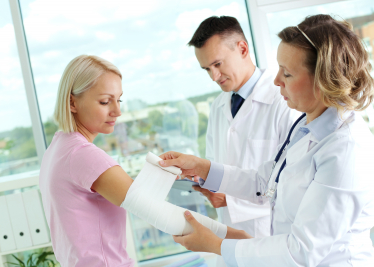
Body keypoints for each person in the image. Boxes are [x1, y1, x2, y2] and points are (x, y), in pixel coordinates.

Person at [159, 14, 374, 266]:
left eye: (286, 74)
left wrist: (215, 244)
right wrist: (201, 167)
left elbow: (301, 251)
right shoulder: (307, 127)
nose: (276, 80)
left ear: (323, 79)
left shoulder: (346, 151)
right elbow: (266, 181)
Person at [39, 55, 249, 267]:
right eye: (104, 101)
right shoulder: (83, 155)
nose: (117, 111)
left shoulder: (58, 148)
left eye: (118, 99)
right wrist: (237, 237)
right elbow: (161, 214)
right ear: (72, 102)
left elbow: (132, 197)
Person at [187, 16, 299, 266]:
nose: (213, 76)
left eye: (217, 64)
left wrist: (230, 199)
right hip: (228, 244)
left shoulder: (285, 101)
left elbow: (293, 184)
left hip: (272, 240)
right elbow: (214, 168)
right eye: (206, 69)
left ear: (243, 49)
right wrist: (205, 184)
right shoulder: (218, 106)